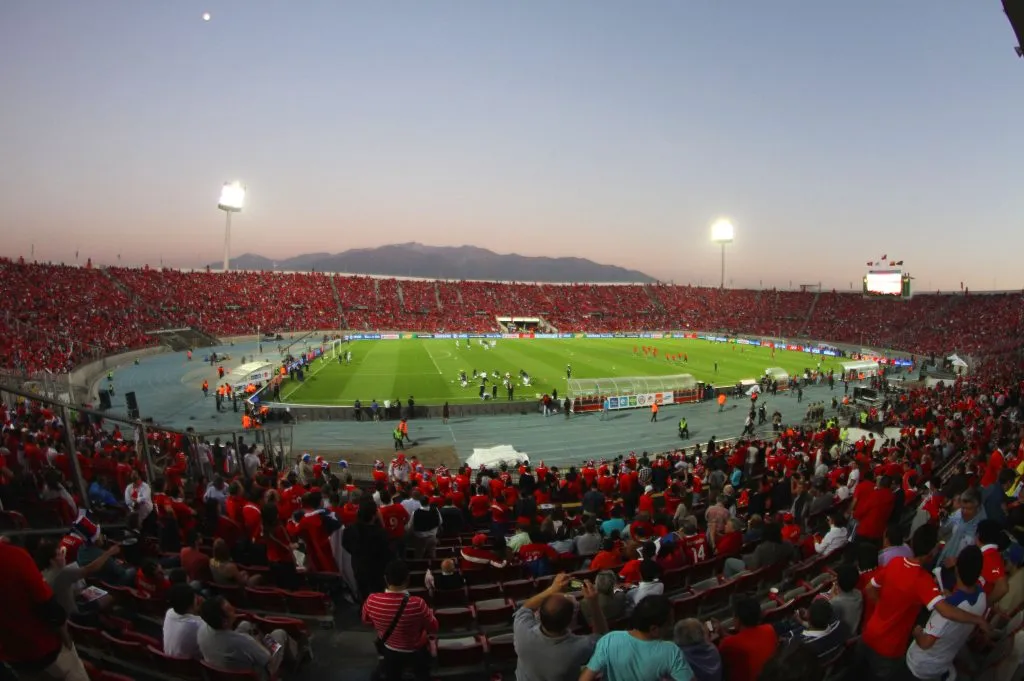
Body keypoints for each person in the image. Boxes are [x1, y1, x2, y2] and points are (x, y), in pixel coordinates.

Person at [860, 523, 990, 681]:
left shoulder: (895, 562)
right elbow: (946, 611)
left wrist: (884, 605)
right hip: (890, 648)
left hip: (869, 633)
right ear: (930, 553)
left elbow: (869, 589)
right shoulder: (923, 581)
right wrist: (977, 619)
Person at [0, 538, 90, 681]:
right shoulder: (14, 556)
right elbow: (49, 608)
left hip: (13, 658)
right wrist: (66, 638)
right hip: (44, 649)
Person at [905, 545, 987, 681]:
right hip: (943, 663)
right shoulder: (982, 598)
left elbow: (925, 642)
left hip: (919, 666)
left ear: (956, 570)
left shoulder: (947, 609)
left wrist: (917, 631)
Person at [513, 572, 606, 681]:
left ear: (539, 614)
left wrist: (552, 589)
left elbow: (525, 608)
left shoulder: (522, 631)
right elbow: (604, 639)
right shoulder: (580, 647)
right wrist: (594, 603)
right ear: (571, 619)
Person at [579, 595, 693, 681]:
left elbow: (585, 679)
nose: (671, 626)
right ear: (654, 629)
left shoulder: (609, 639)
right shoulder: (671, 651)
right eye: (669, 623)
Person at [362, 560, 437, 681]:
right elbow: (434, 627)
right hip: (415, 650)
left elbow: (367, 622)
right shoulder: (418, 603)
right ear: (408, 579)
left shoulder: (371, 601)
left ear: (385, 579)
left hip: (389, 649)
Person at [197, 596, 294, 680]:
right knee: (279, 634)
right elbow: (267, 658)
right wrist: (258, 641)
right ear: (224, 622)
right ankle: (297, 661)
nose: (234, 609)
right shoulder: (243, 640)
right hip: (259, 674)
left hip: (224, 672)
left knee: (245, 625)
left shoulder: (201, 630)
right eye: (230, 609)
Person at [716, 596, 778, 681]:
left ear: (738, 620)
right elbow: (748, 640)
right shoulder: (769, 629)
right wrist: (723, 634)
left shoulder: (728, 643)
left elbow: (716, 665)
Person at [163, 583, 203, 659]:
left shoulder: (169, 612)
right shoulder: (197, 624)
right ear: (192, 603)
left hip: (168, 662)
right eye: (195, 598)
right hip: (188, 666)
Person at [827, 563, 863, 635]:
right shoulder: (859, 594)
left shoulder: (835, 602)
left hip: (842, 637)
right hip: (854, 632)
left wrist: (831, 597)